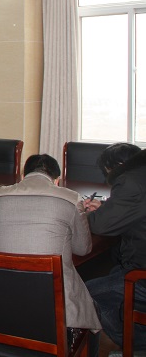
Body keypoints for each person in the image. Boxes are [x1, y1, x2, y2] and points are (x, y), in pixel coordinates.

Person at [0, 154, 101, 337]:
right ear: (56, 181)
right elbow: (82, 249)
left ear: (23, 176)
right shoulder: (71, 198)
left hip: (1, 299)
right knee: (94, 308)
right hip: (53, 303)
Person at [85, 143, 146, 355]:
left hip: (141, 274)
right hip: (136, 263)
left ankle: (135, 342)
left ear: (117, 166)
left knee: (83, 293)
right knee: (110, 272)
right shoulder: (141, 175)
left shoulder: (130, 181)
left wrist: (87, 215)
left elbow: (100, 226)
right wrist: (106, 209)